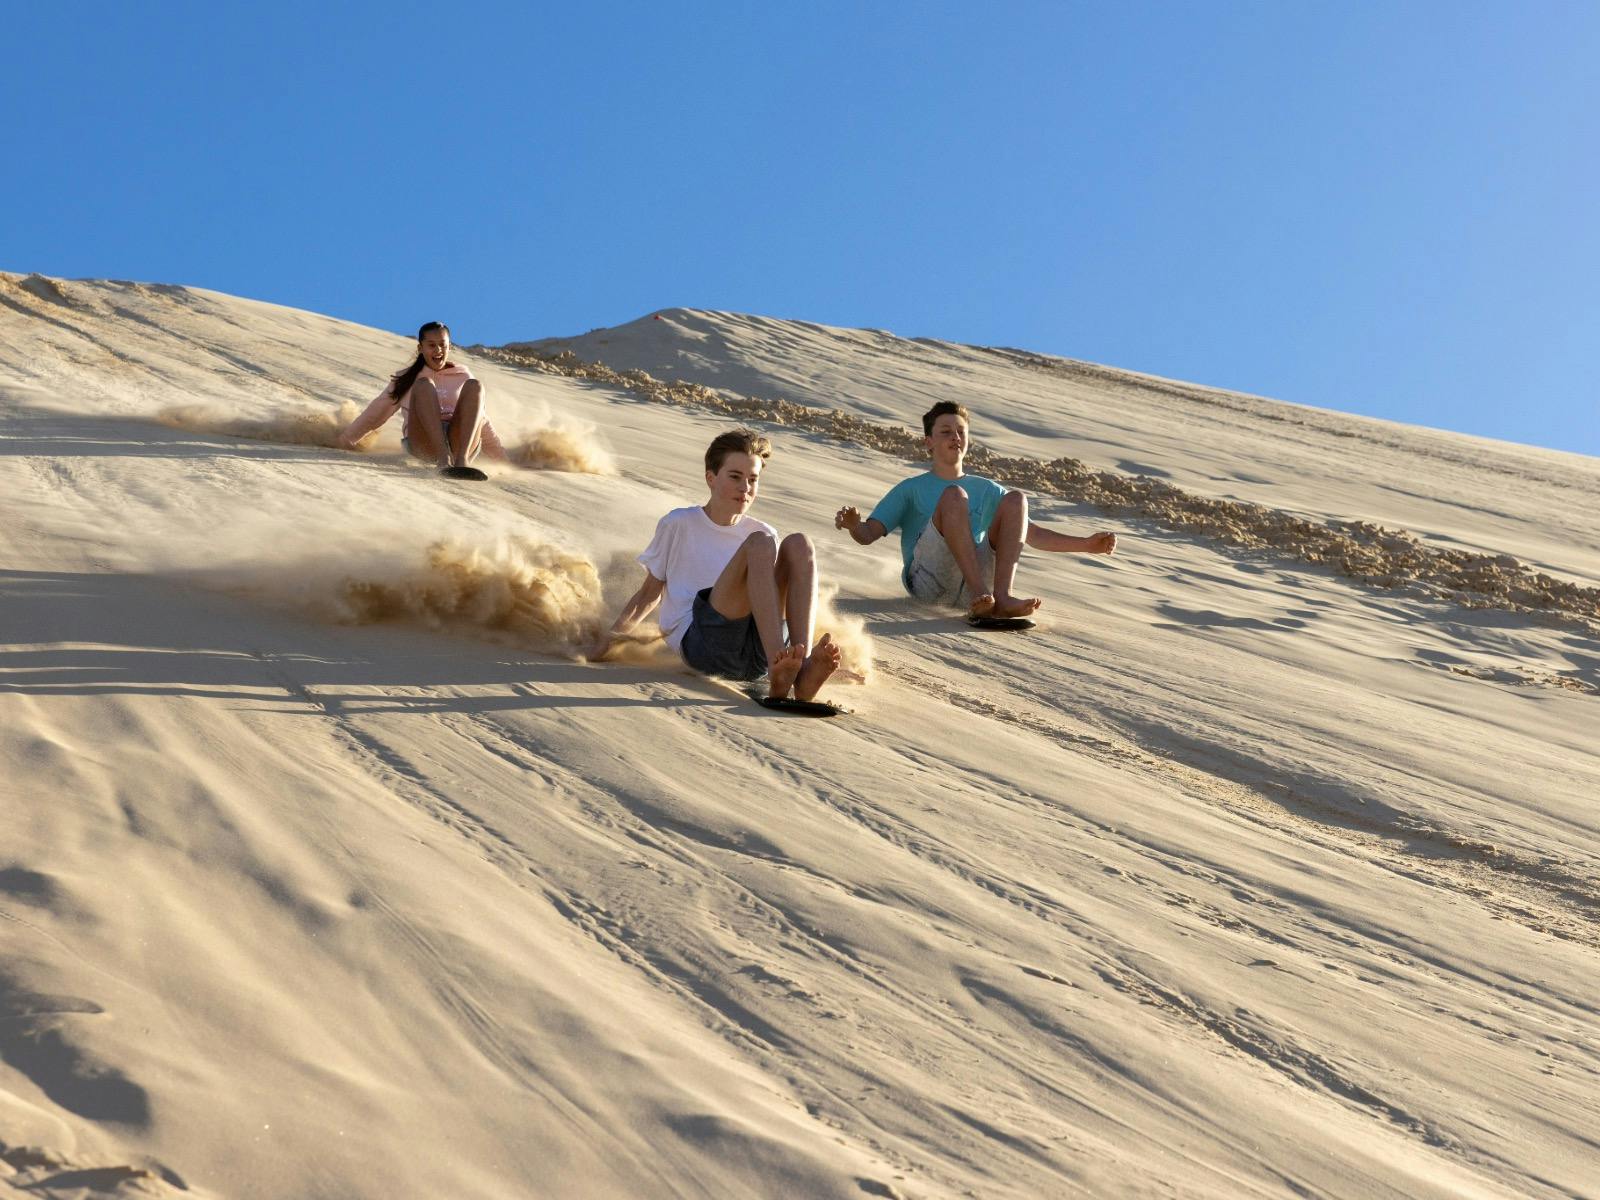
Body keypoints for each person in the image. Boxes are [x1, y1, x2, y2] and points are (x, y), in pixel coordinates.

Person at [591, 430, 841, 702]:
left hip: (753, 655)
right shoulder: (679, 524)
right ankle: (777, 670)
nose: (745, 488)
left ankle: (800, 670)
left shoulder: (765, 531)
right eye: (735, 477)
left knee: (800, 544)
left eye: (753, 479)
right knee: (760, 544)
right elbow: (648, 594)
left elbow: (774, 602)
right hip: (702, 645)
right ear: (711, 478)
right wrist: (607, 644)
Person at [835, 400, 1117, 619]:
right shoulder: (911, 489)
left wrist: (1086, 545)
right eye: (946, 432)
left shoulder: (988, 489)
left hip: (980, 587)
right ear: (929, 442)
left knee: (1016, 499)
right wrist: (853, 526)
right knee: (954, 496)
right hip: (930, 584)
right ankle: (982, 594)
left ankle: (1002, 597)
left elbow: (1029, 534)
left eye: (961, 431)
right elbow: (868, 534)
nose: (955, 437)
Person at [337, 321, 506, 469]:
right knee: (424, 385)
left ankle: (461, 462)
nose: (438, 350)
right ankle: (443, 458)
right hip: (424, 441)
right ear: (421, 348)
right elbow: (376, 413)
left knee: (475, 385)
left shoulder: (463, 375)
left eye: (443, 344)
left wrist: (503, 460)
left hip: (460, 441)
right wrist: (346, 440)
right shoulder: (407, 378)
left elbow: (480, 420)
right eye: (431, 345)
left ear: (449, 347)